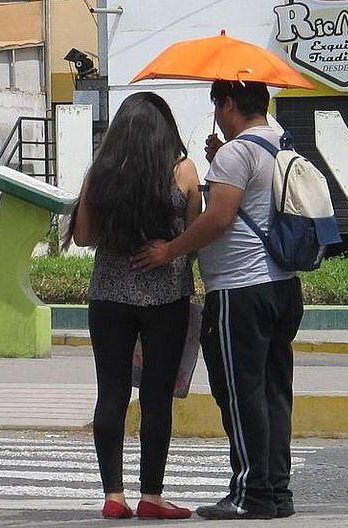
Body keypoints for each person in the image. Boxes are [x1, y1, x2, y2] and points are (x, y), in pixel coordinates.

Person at [133, 80, 304, 520]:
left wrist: (170, 251)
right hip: (282, 286)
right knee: (273, 391)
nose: (216, 115)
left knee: (240, 394)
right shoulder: (280, 143)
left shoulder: (236, 153)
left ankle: (250, 493)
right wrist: (220, 159)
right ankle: (276, 490)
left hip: (240, 290)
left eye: (217, 105)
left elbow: (220, 218)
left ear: (227, 104)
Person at [64, 92, 201, 520]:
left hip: (108, 297)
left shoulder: (101, 173)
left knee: (112, 393)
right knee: (157, 398)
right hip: (166, 297)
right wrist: (168, 249)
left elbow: (83, 237)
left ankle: (114, 495)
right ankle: (152, 496)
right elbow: (195, 237)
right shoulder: (183, 170)